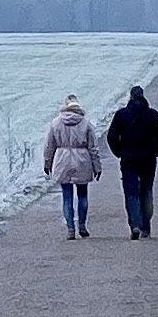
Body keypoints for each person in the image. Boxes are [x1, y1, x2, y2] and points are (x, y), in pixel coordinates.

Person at [106, 84, 158, 240]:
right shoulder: (152, 115)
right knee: (146, 191)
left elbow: (111, 136)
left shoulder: (122, 115)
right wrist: (155, 152)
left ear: (131, 97)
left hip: (129, 159)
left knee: (131, 192)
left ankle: (135, 225)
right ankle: (146, 226)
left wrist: (119, 152)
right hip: (148, 159)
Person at [42, 94, 102, 239]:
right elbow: (93, 148)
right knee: (83, 195)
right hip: (82, 160)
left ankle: (70, 229)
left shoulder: (56, 123)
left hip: (62, 160)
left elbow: (49, 146)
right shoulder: (86, 123)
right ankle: (82, 225)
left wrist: (47, 163)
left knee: (67, 196)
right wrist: (97, 166)